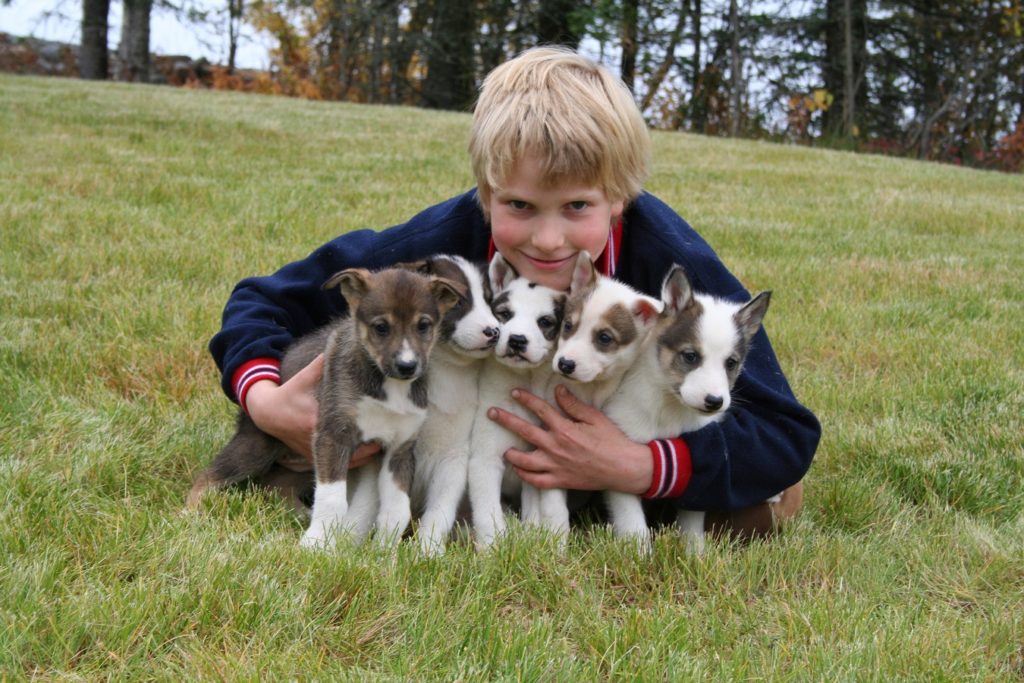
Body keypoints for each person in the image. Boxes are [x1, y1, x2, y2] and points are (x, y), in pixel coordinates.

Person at [208, 46, 820, 538]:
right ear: (486, 193)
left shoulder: (670, 261)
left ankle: (585, 500)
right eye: (520, 205)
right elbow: (262, 301)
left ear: (619, 197)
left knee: (770, 503)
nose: (549, 238)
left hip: (614, 452)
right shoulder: (438, 249)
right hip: (465, 443)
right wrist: (265, 400)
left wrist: (637, 467)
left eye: (578, 205)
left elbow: (786, 434)